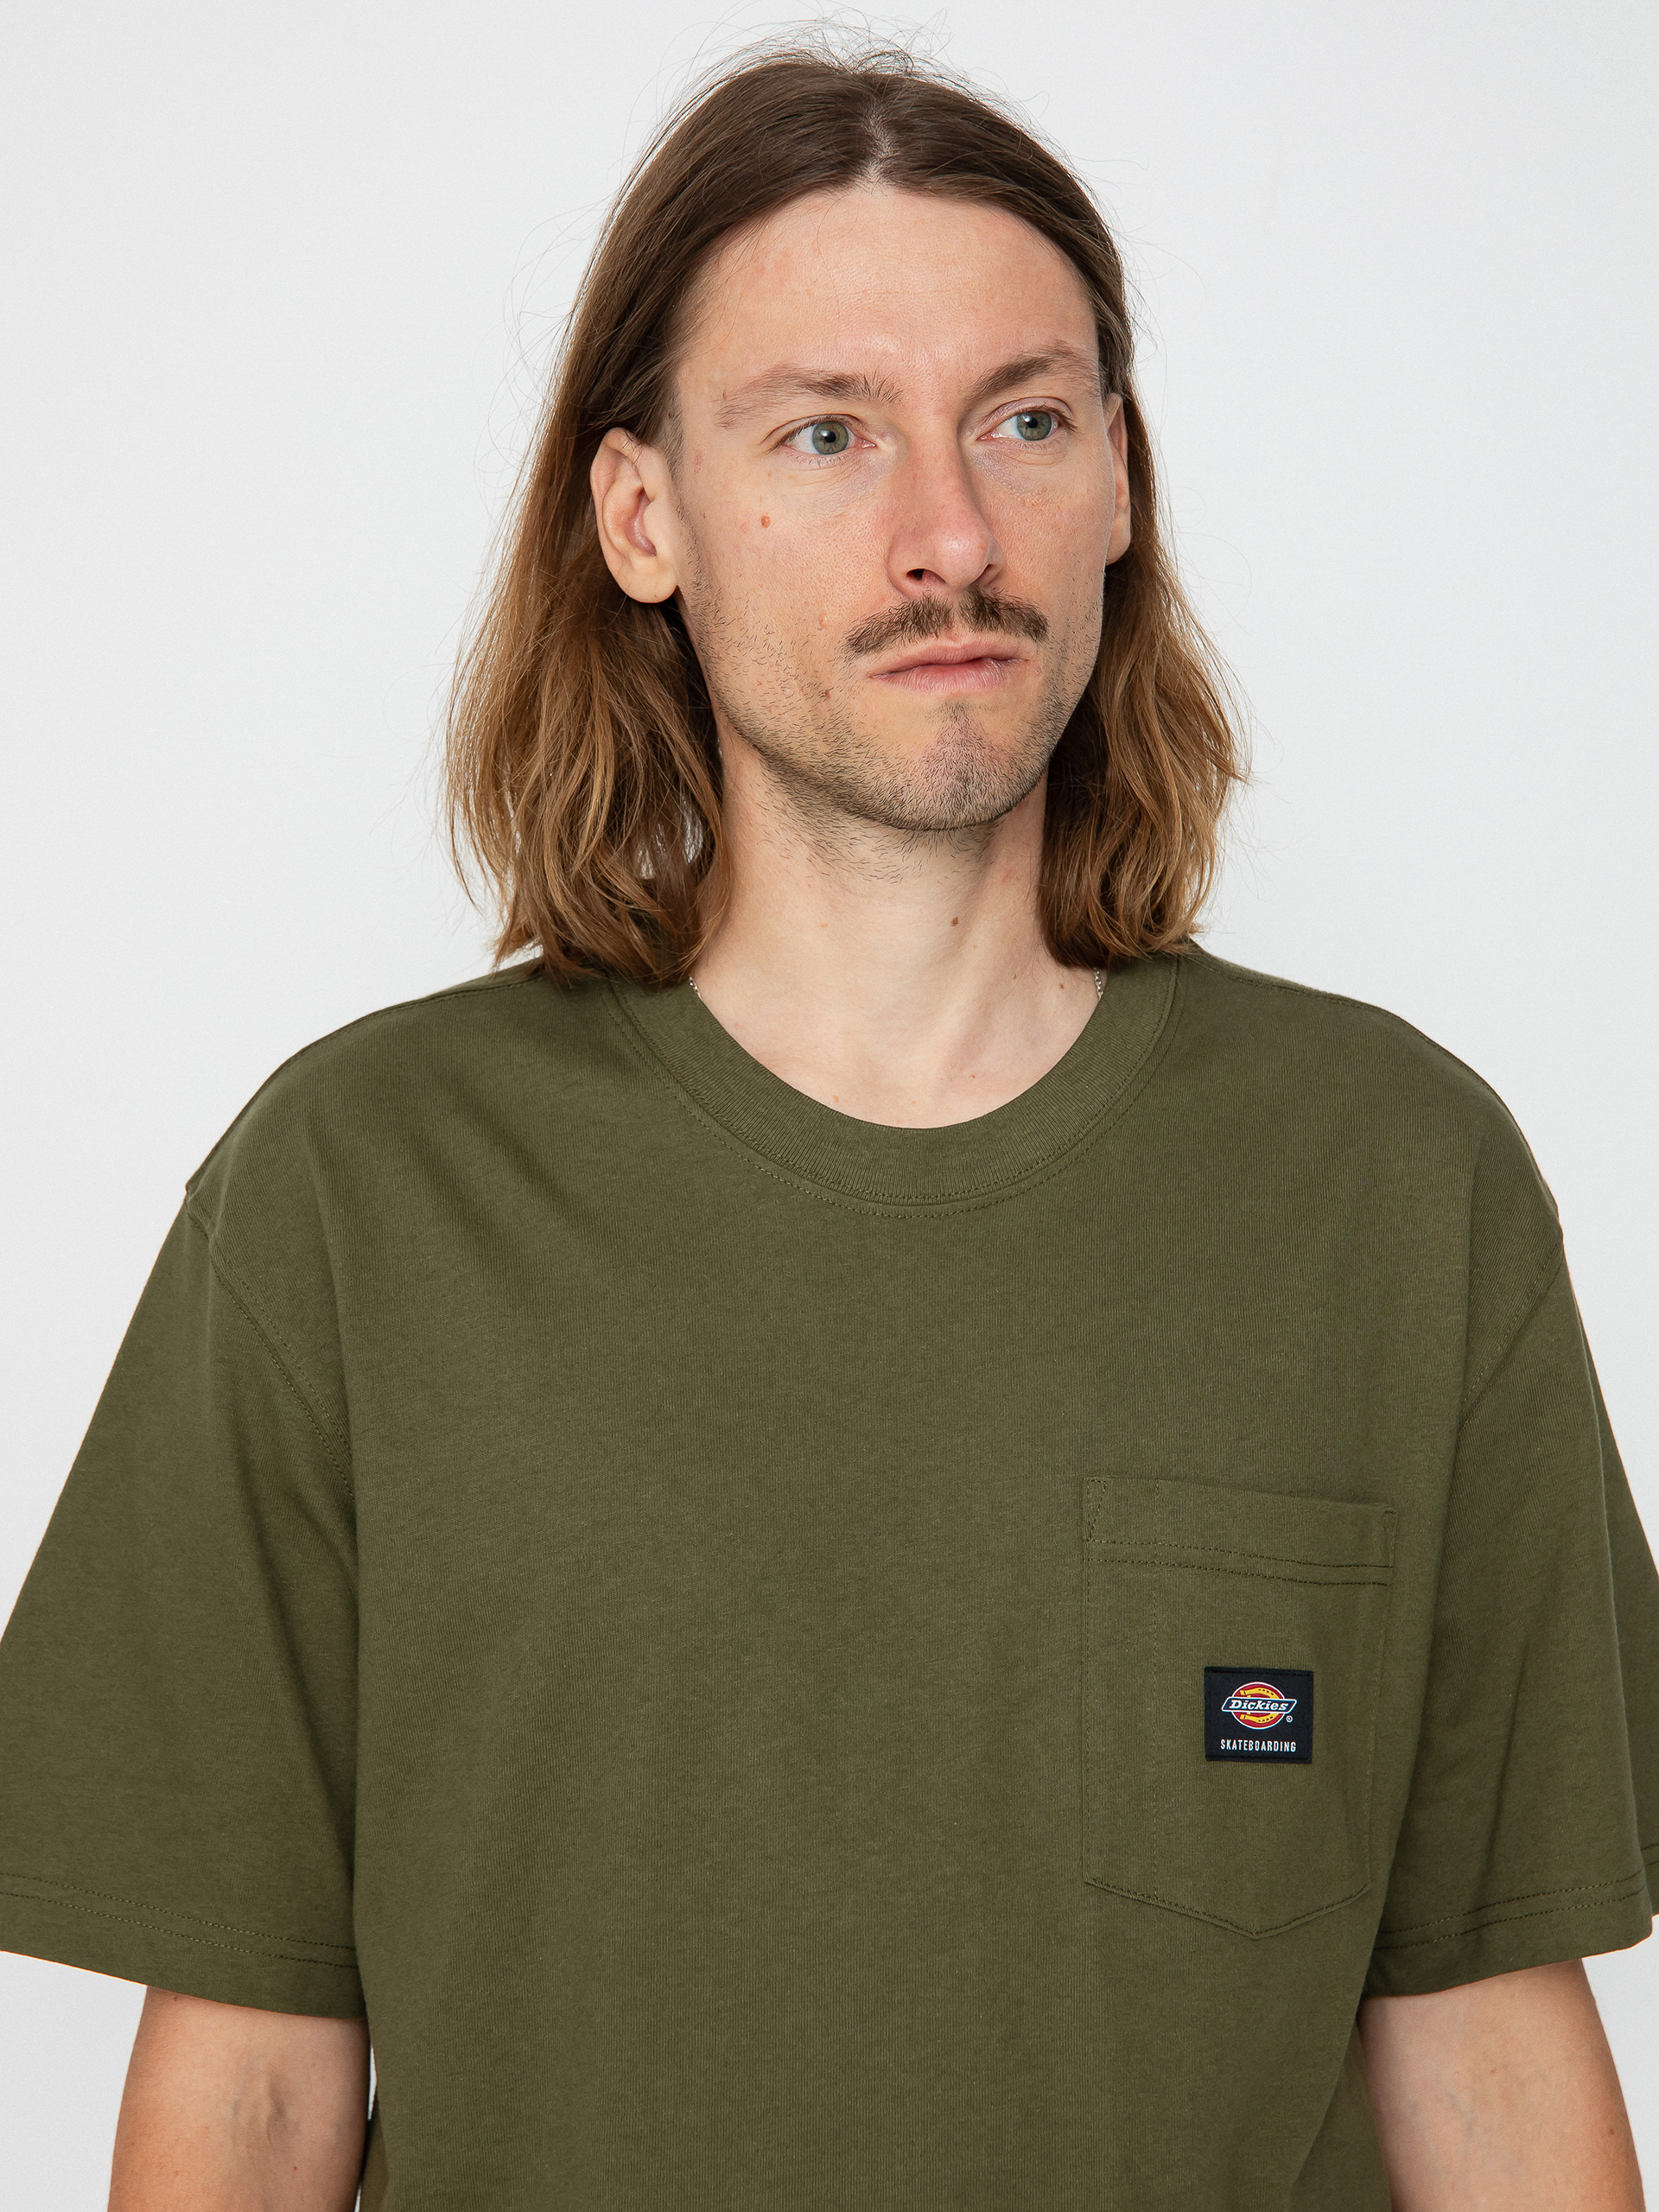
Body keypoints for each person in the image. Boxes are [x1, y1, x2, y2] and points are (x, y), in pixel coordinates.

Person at [0, 43, 1653, 2212]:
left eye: (1025, 419)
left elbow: (1491, 2063)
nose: (948, 534)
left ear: (1122, 482)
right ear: (642, 516)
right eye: (827, 432)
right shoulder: (353, 1195)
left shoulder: (1399, 1189)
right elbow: (247, 2098)